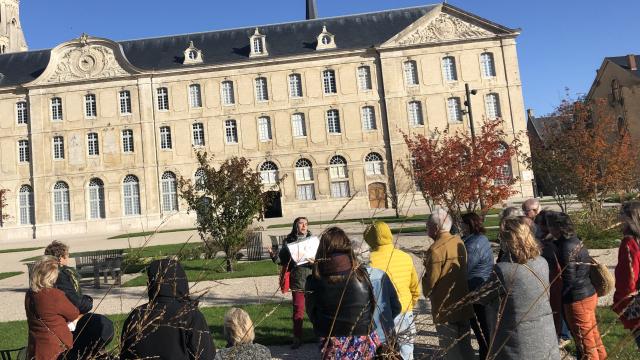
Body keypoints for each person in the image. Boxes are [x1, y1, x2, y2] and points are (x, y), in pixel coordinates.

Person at [480, 217, 560, 360]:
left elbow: (482, 297)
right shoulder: (542, 262)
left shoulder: (503, 270)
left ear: (507, 240)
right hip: (545, 334)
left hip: (518, 340)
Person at [306, 227, 379, 359]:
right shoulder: (361, 275)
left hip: (332, 340)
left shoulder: (314, 281)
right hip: (362, 337)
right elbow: (372, 305)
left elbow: (312, 314)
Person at [120, 259, 215, 360]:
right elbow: (206, 355)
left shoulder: (136, 316)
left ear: (150, 284)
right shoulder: (190, 315)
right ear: (181, 281)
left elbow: (125, 355)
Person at [546, 212, 606, 359]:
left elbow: (569, 279)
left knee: (585, 342)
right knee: (593, 336)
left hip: (577, 298)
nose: (548, 230)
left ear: (558, 228)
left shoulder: (567, 247)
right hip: (587, 293)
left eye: (550, 227)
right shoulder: (573, 240)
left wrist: (561, 298)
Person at [44, 241, 114, 359]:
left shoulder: (47, 274)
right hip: (68, 323)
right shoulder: (61, 275)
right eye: (67, 256)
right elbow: (74, 302)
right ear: (60, 259)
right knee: (96, 330)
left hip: (57, 323)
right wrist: (88, 301)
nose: (68, 258)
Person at [422, 208, 474, 359]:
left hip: (445, 307)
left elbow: (431, 281)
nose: (427, 229)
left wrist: (425, 287)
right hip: (462, 301)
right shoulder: (458, 241)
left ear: (436, 228)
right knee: (466, 347)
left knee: (451, 350)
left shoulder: (435, 249)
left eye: (428, 226)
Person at [363, 221, 420, 359]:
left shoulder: (369, 260)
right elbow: (414, 287)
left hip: (383, 313)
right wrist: (410, 304)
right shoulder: (405, 256)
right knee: (407, 352)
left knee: (386, 353)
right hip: (405, 310)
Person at [268, 217, 312, 349]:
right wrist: (273, 255)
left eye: (306, 224)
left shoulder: (313, 240)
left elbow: (322, 259)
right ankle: (297, 338)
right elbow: (281, 260)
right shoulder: (289, 241)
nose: (304, 226)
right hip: (298, 280)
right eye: (301, 223)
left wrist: (315, 261)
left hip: (313, 279)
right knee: (298, 310)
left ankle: (323, 336)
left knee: (316, 309)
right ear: (295, 226)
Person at [25, 256, 81, 360]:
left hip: (35, 348)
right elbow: (74, 314)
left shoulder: (29, 294)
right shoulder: (54, 295)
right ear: (51, 275)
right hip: (56, 349)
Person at [460, 212, 494, 360]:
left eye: (462, 223)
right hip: (480, 286)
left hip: (476, 289)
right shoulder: (478, 239)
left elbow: (465, 268)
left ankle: (486, 354)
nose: (459, 225)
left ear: (469, 225)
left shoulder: (473, 244)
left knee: (481, 329)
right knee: (484, 328)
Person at [534, 211, 570, 345]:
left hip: (556, 282)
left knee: (558, 310)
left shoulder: (550, 244)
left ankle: (563, 334)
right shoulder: (553, 241)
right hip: (557, 282)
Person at [613, 201, 640, 349]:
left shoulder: (629, 244)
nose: (618, 218)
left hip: (635, 303)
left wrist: (621, 302)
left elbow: (628, 280)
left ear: (630, 218)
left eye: (622, 214)